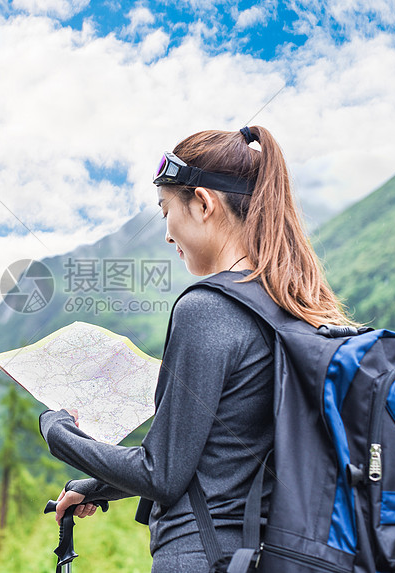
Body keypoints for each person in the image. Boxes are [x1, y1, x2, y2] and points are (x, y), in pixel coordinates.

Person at [38, 126, 355, 572]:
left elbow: (161, 474)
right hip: (266, 554)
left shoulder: (207, 309)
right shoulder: (291, 305)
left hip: (203, 555)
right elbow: (221, 454)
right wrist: (97, 486)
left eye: (165, 209)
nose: (167, 234)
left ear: (203, 203)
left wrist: (57, 433)